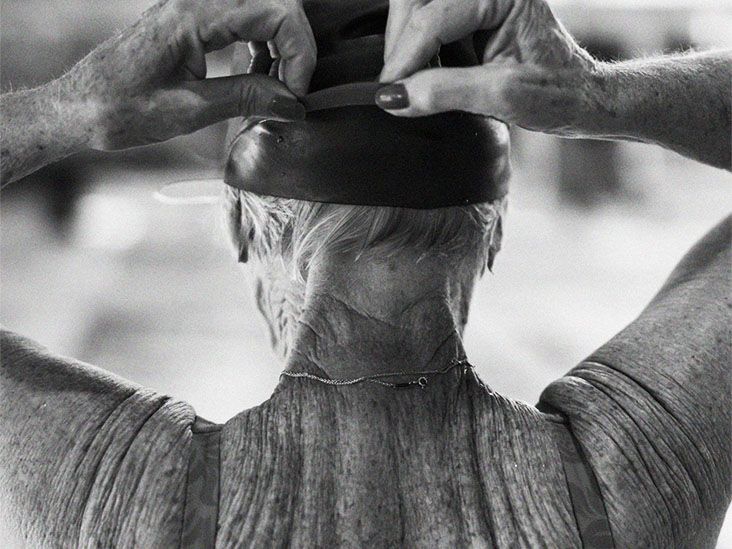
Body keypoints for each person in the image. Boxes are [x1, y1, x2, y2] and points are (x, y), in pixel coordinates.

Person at [0, 0, 729, 547]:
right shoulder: (624, 488)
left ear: (241, 227)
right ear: (495, 232)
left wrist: (68, 111)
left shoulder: (130, 502)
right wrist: (596, 96)